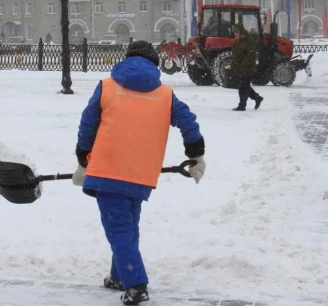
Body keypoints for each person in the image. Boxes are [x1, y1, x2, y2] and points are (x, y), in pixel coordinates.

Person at [73, 40, 205, 305]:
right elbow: (188, 122)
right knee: (127, 227)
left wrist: (82, 158)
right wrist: (195, 154)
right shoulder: (165, 95)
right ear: (154, 65)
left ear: (127, 59)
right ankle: (119, 276)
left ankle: (136, 285)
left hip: (108, 170)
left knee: (119, 229)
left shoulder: (106, 87)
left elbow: (88, 124)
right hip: (141, 174)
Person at [228, 23, 263, 111]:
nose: (235, 34)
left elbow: (250, 54)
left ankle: (242, 105)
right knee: (245, 86)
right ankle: (257, 98)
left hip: (247, 68)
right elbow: (235, 53)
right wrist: (233, 65)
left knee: (242, 87)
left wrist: (243, 64)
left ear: (240, 31)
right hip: (239, 67)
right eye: (234, 32)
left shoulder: (248, 39)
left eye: (236, 32)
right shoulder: (238, 40)